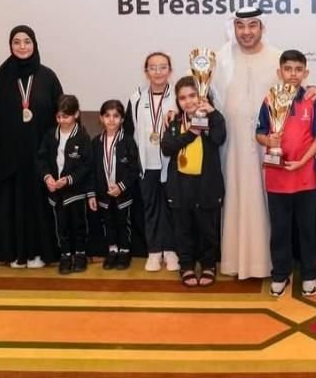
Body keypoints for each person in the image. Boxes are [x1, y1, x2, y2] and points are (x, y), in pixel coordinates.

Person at [0, 25, 63, 268]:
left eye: (27, 41)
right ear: (10, 46)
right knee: (12, 205)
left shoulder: (48, 77)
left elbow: (62, 114)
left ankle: (40, 253)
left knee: (39, 204)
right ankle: (16, 253)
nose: (22, 46)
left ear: (34, 44)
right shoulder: (1, 79)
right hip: (9, 158)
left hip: (40, 155)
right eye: (17, 42)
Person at [211, 7, 281, 280]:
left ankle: (269, 263)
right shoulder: (221, 59)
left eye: (252, 25)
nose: (246, 31)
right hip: (233, 147)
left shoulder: (278, 58)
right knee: (236, 197)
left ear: (262, 27)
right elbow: (197, 94)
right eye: (240, 25)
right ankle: (234, 262)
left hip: (269, 147)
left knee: (268, 202)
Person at [255, 50, 316, 297]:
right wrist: (269, 140)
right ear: (280, 72)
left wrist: (302, 162)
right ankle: (280, 273)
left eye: (298, 70)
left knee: (307, 229)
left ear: (306, 73)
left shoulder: (311, 100)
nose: (293, 74)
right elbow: (259, 133)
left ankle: (309, 274)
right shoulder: (269, 99)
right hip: (277, 178)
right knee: (280, 229)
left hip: (305, 178)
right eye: (288, 69)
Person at [161, 76, 227, 288]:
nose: (188, 101)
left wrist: (212, 114)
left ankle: (208, 265)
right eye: (182, 98)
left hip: (207, 185)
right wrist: (191, 133)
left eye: (192, 96)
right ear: (177, 101)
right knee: (183, 229)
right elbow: (167, 148)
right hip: (180, 186)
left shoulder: (213, 119)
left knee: (208, 229)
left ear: (202, 96)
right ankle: (186, 265)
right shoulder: (174, 122)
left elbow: (219, 138)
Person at [124, 52, 178, 272]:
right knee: (151, 209)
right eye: (153, 68)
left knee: (172, 208)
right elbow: (129, 132)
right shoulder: (136, 97)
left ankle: (171, 251)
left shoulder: (178, 96)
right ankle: (154, 252)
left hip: (172, 164)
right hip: (147, 165)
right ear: (146, 72)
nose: (158, 72)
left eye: (163, 67)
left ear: (170, 71)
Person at [38, 95, 93, 275]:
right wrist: (47, 177)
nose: (62, 120)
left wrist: (69, 179)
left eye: (66, 116)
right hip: (56, 192)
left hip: (75, 191)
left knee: (78, 225)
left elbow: (87, 165)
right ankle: (65, 255)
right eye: (59, 116)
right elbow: (41, 159)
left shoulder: (83, 137)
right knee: (61, 226)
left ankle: (80, 254)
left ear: (76, 114)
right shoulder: (50, 135)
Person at [92, 99, 141, 270]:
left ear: (122, 119)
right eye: (107, 116)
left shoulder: (128, 141)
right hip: (104, 194)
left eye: (116, 116)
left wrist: (121, 186)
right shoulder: (96, 142)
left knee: (123, 223)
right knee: (108, 223)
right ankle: (112, 251)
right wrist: (92, 193)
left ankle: (124, 252)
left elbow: (134, 169)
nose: (111, 120)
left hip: (123, 194)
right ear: (101, 118)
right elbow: (91, 170)